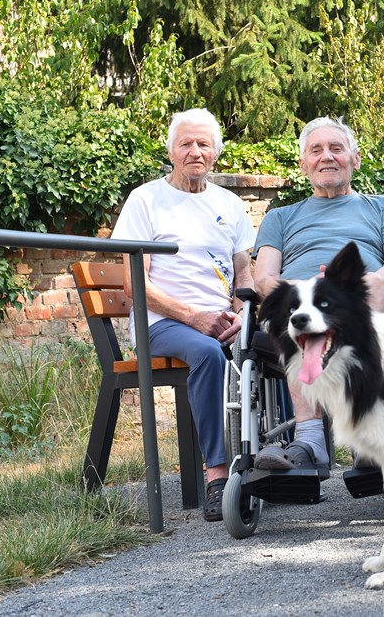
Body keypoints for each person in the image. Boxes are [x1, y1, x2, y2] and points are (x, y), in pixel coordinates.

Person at [111, 108, 256, 521]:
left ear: (215, 153)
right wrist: (195, 317)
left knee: (267, 343)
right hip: (164, 324)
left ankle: (273, 461)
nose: (195, 151)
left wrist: (242, 312)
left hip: (218, 321)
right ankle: (216, 476)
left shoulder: (229, 204)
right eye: (186, 143)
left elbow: (243, 272)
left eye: (204, 144)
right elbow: (133, 284)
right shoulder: (146, 200)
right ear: (172, 151)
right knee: (208, 354)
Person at [251, 117, 384, 472]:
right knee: (292, 308)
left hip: (358, 301)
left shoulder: (383, 207)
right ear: (303, 164)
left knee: (370, 286)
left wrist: (368, 282)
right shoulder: (279, 217)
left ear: (355, 159)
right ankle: (309, 441)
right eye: (316, 150)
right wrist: (301, 290)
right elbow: (264, 278)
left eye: (336, 148)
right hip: (300, 303)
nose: (327, 156)